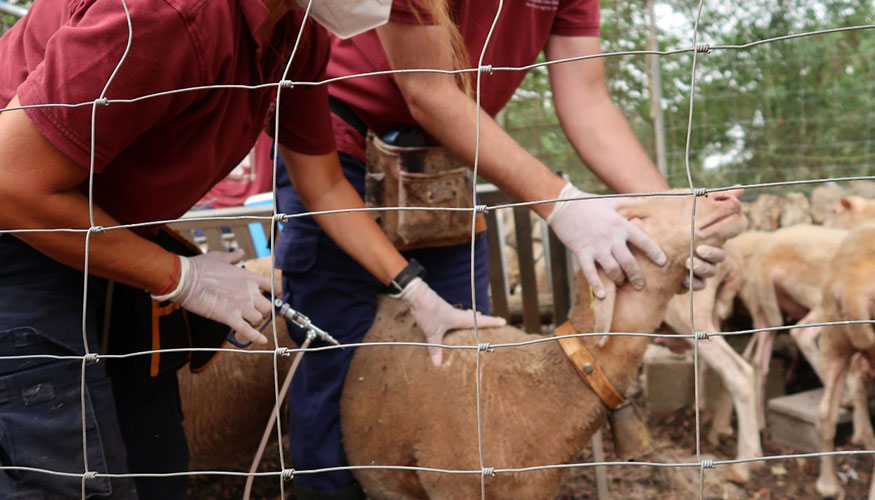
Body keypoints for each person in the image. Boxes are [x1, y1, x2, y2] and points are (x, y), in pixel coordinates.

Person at [0, 0, 495, 498]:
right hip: (21, 238)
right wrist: (179, 276)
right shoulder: (166, 12)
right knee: (69, 474)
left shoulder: (296, 32)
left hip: (108, 242)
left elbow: (322, 184)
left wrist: (414, 289)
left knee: (157, 468)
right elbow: (8, 185)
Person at [274, 0, 725, 498]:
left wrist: (667, 222)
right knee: (332, 351)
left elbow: (588, 99)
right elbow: (427, 90)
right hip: (336, 141)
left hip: (446, 153)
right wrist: (565, 204)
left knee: (465, 362)